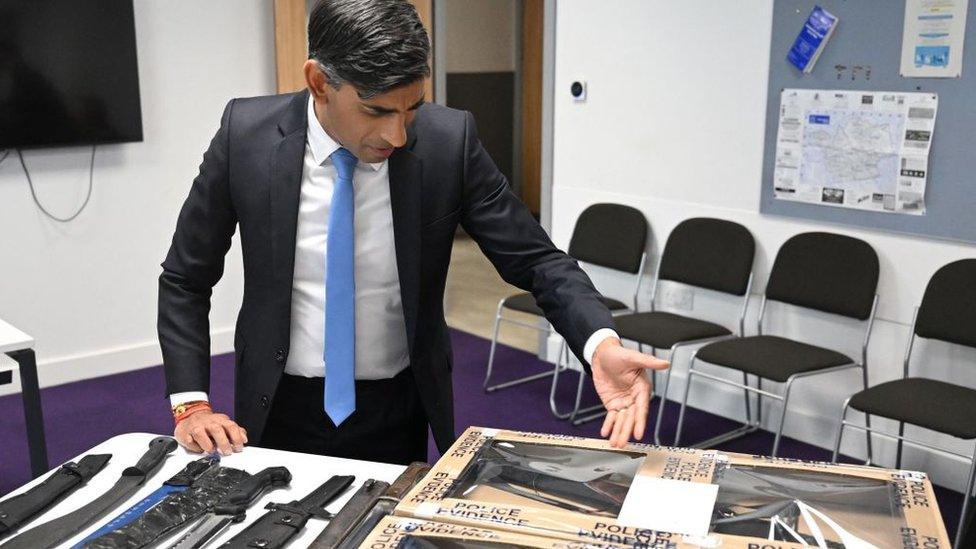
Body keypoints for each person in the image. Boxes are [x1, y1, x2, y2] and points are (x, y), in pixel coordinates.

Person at [158, 0, 668, 465]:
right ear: (318, 82)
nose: (397, 135)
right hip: (276, 401)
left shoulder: (450, 142)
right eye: (377, 111)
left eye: (412, 109)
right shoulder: (245, 135)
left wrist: (598, 341)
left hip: (397, 406)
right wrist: (191, 403)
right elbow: (185, 276)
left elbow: (538, 260)